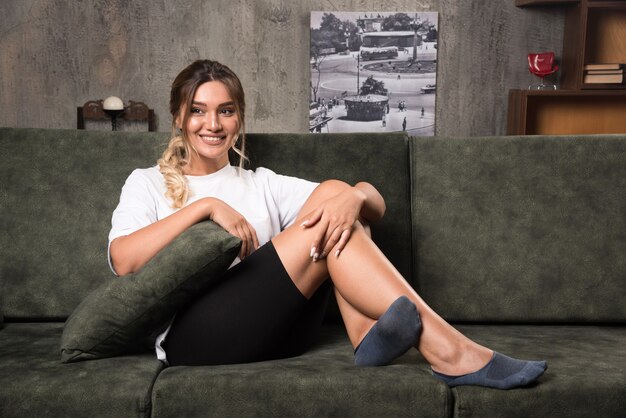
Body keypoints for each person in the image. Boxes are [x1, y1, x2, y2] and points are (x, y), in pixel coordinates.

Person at [108, 59, 546, 389]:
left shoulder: (261, 183)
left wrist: (354, 196)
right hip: (195, 338)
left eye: (225, 111)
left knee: (337, 193)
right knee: (335, 202)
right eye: (199, 111)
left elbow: (374, 203)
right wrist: (203, 209)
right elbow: (124, 260)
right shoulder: (146, 183)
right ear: (179, 118)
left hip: (280, 331)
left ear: (239, 118)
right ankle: (449, 351)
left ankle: (364, 334)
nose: (213, 124)